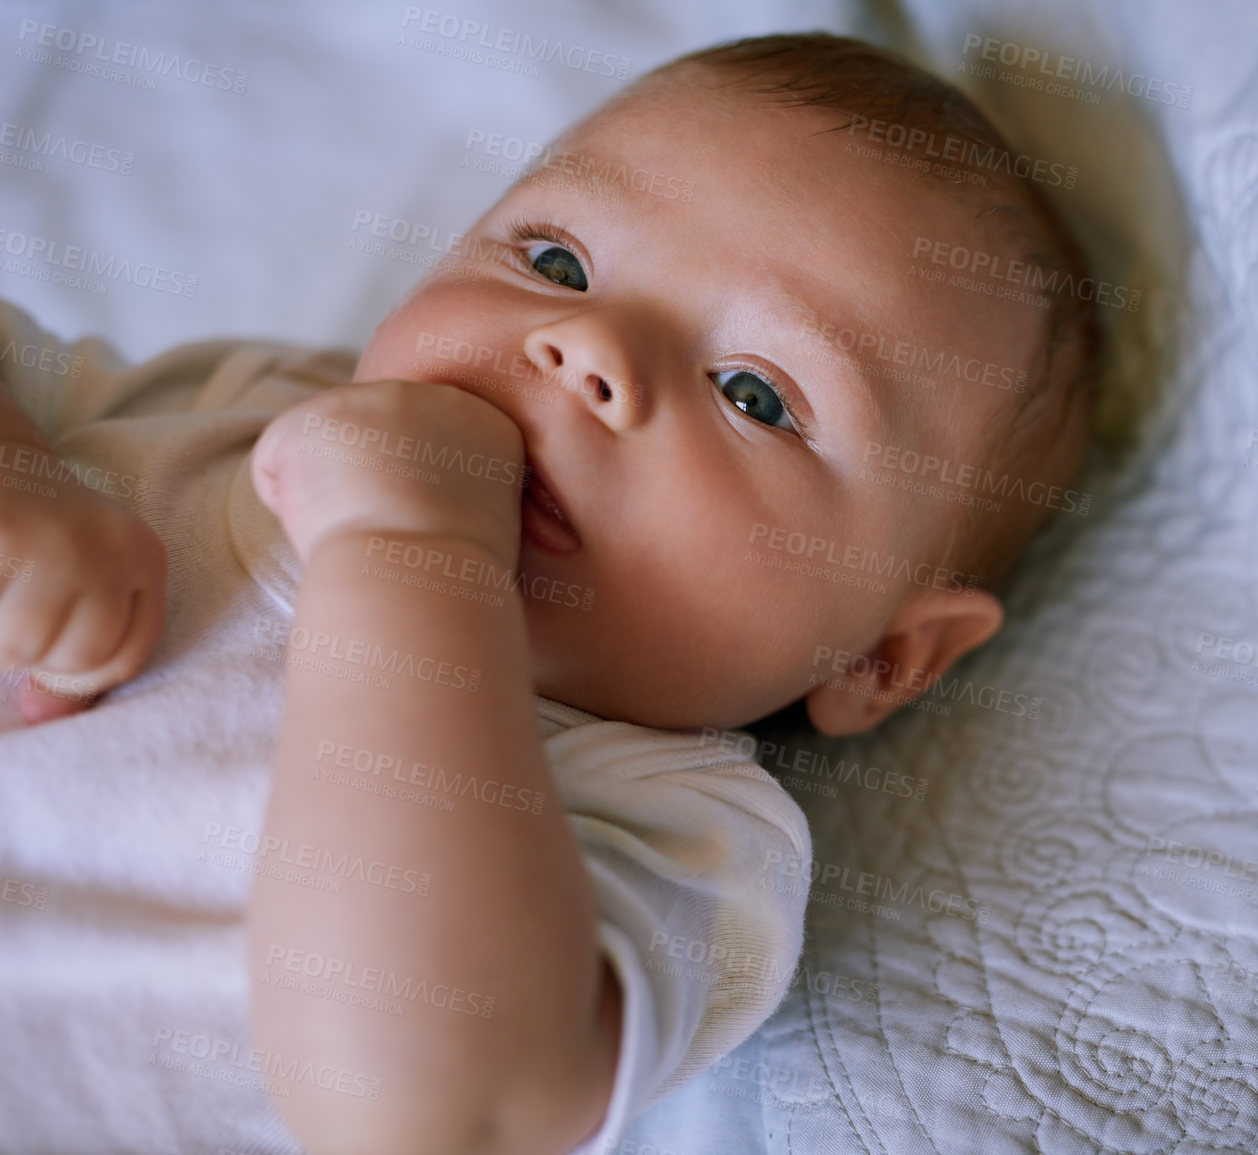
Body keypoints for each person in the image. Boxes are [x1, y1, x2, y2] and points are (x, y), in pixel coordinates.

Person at [0, 31, 1099, 1154]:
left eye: (754, 395)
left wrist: (408, 553)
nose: (586, 346)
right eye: (556, 262)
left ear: (883, 658)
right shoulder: (249, 403)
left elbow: (435, 1111)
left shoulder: (672, 825)